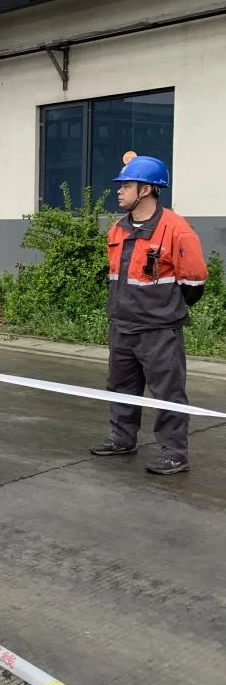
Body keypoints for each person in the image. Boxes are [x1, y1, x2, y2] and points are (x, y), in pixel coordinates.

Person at [89, 154, 208, 475]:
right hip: (122, 325)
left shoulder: (176, 229)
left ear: (146, 190)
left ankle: (175, 453)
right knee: (120, 386)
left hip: (159, 329)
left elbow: (194, 282)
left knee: (167, 393)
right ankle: (122, 438)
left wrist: (163, 310)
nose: (119, 191)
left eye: (126, 185)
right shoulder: (118, 229)